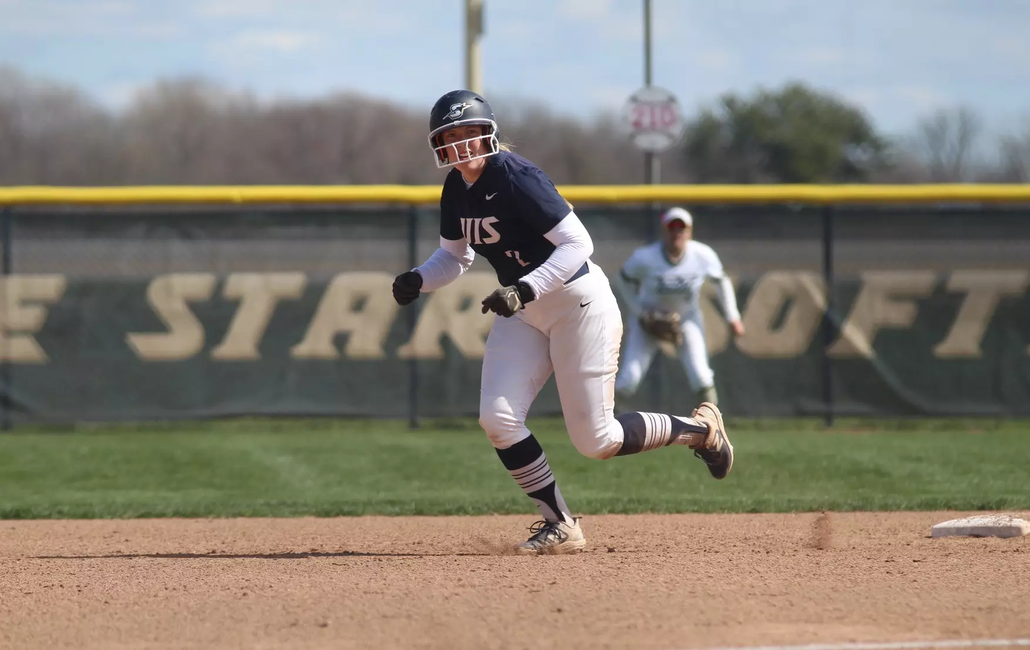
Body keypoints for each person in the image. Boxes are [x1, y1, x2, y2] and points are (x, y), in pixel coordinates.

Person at [391, 90, 734, 555]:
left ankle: (700, 430)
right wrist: (419, 278)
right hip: (524, 311)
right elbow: (455, 257)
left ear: (489, 132)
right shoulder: (455, 187)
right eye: (452, 136)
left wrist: (525, 288)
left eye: (471, 132)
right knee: (497, 419)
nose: (464, 144)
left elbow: (578, 244)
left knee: (598, 440)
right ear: (439, 145)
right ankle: (561, 524)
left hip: (577, 303)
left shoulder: (517, 177)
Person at [614, 208, 746, 407]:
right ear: (664, 230)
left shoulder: (702, 254)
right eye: (672, 228)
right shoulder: (646, 257)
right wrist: (640, 311)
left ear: (690, 231)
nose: (677, 233)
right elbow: (622, 279)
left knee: (701, 376)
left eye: (681, 229)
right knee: (628, 380)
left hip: (686, 318)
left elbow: (722, 282)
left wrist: (732, 317)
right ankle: (603, 423)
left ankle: (711, 425)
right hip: (649, 320)